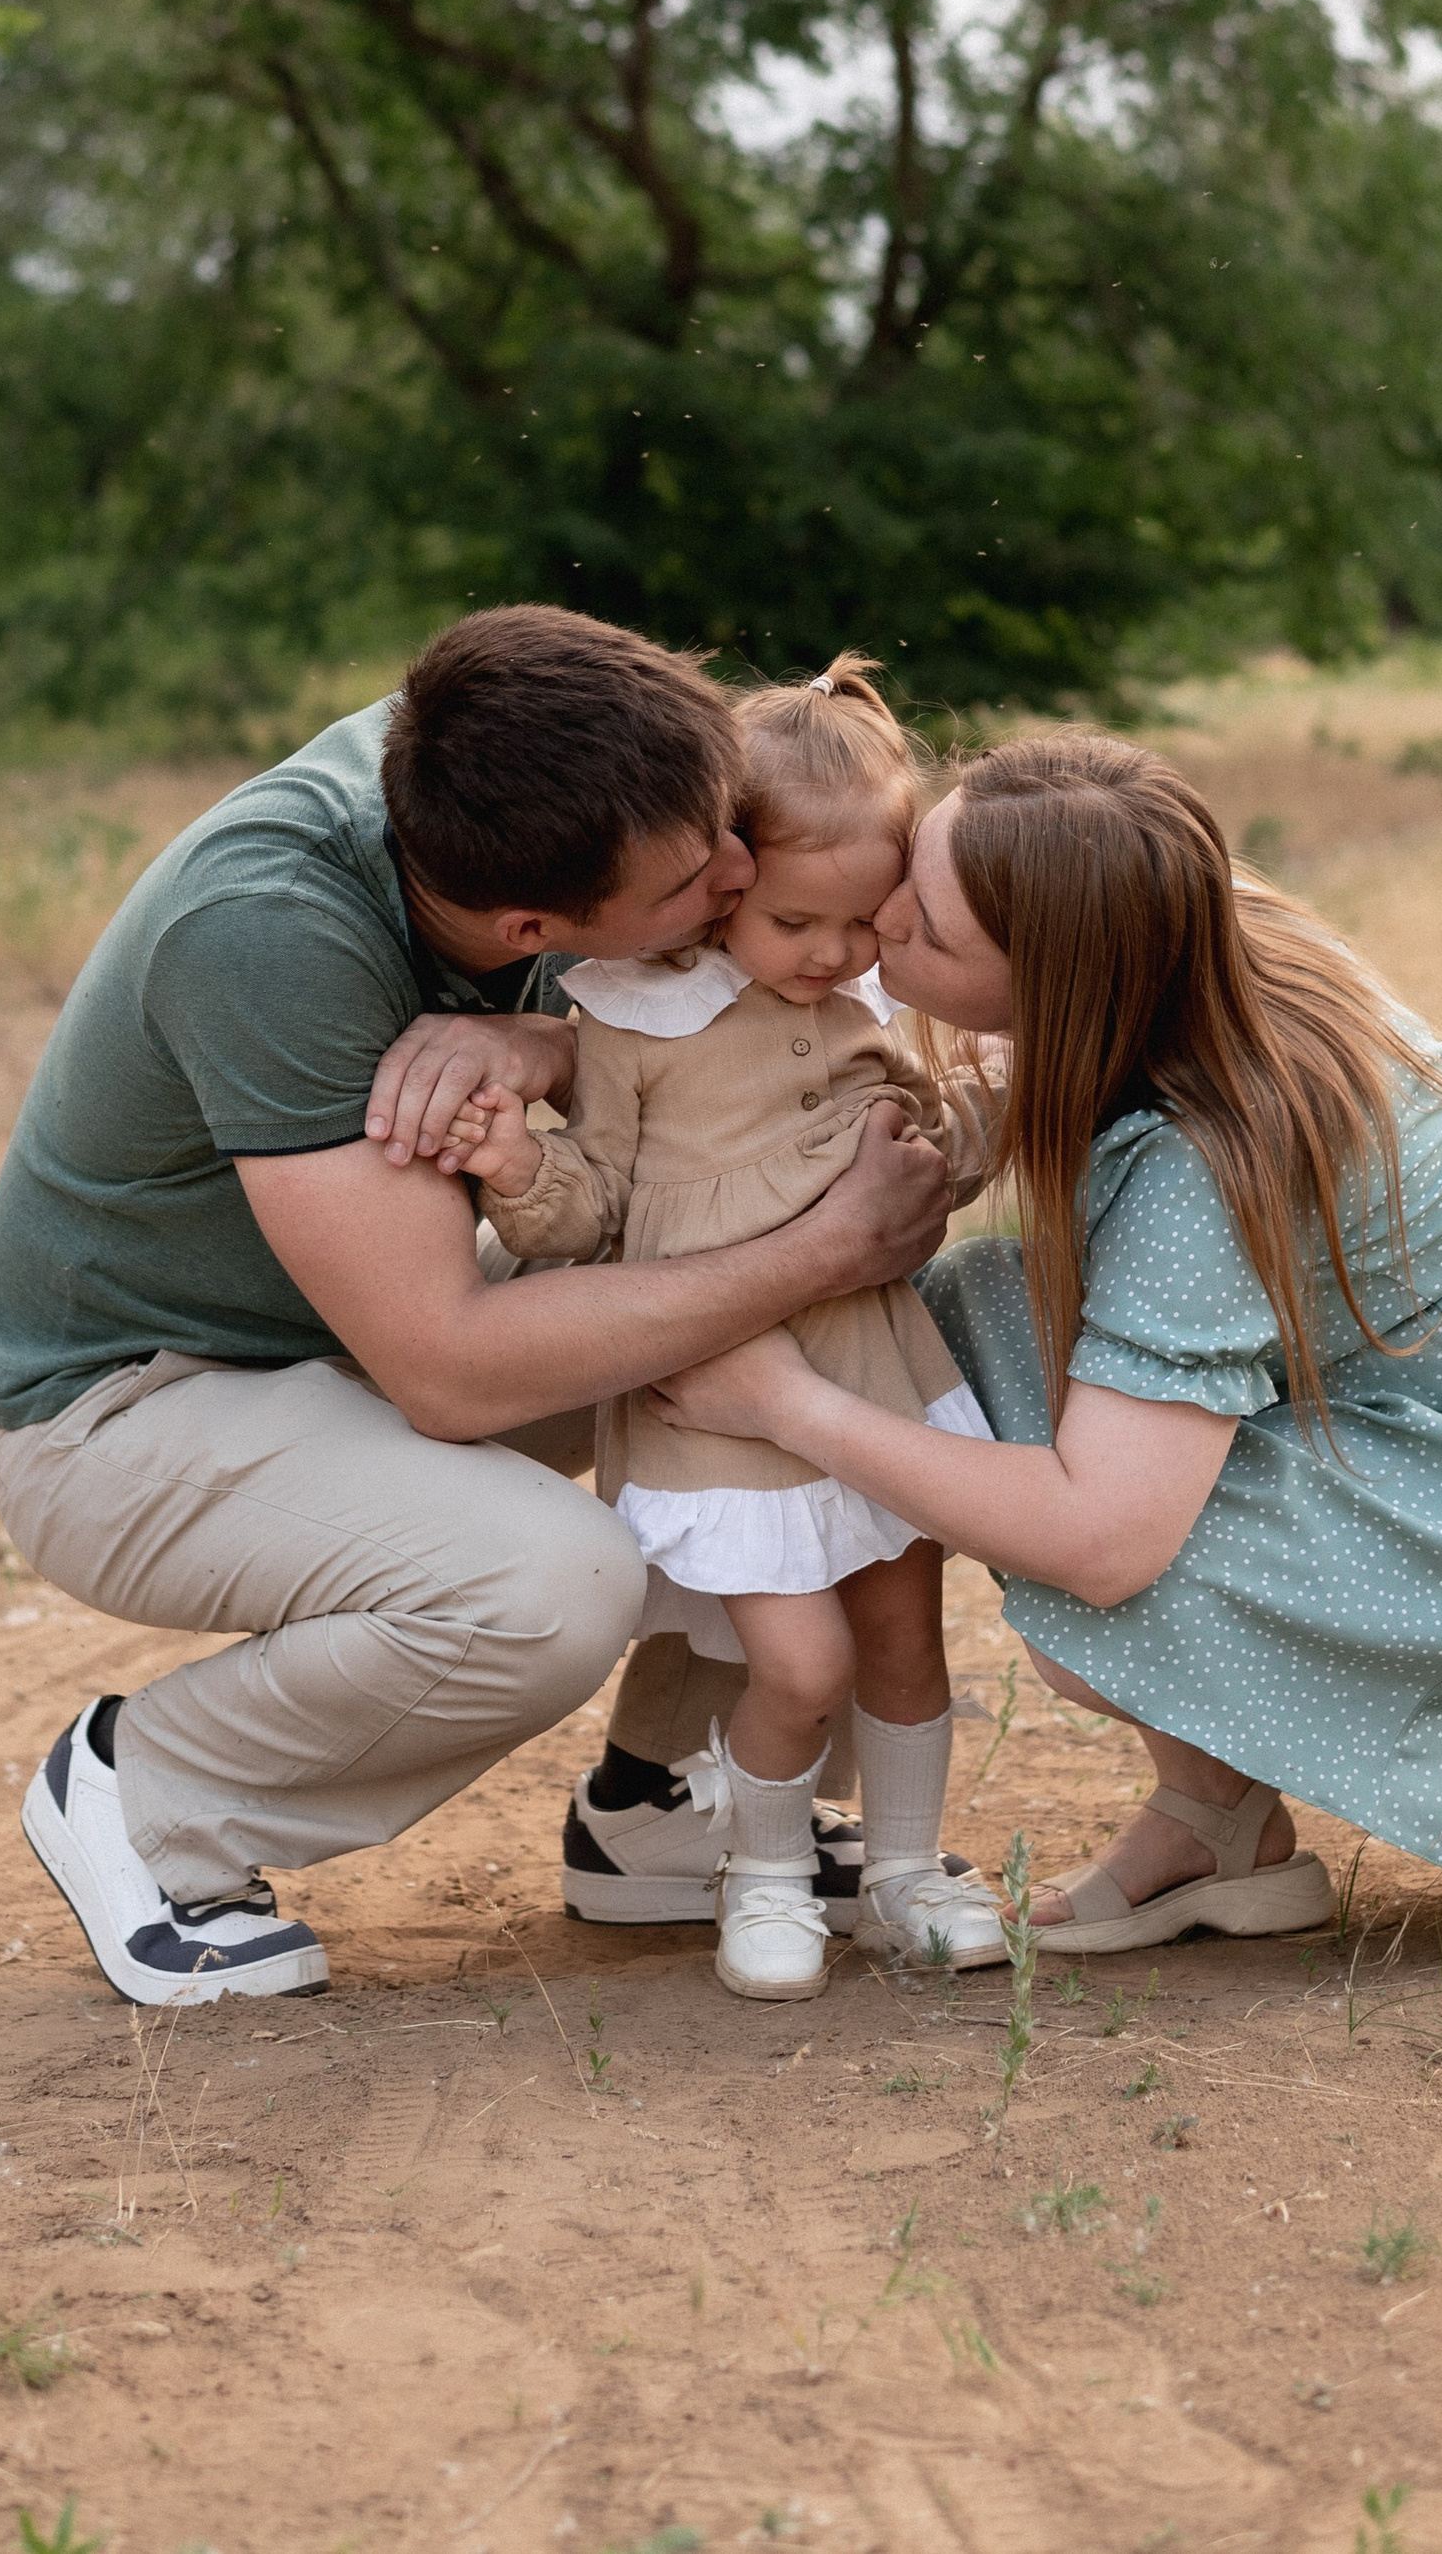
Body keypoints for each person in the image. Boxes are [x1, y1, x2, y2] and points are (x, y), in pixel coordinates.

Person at [647, 728, 1442, 1965]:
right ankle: (1217, 1828)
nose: (879, 921)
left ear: (1058, 984)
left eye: (925, 926)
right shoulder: (1190, 928)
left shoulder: (1203, 1159)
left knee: (1055, 1539)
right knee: (985, 1323)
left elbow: (1099, 1541)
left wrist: (786, 1406)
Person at [0, 606, 952, 2006]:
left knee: (840, 1348)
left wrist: (540, 1035)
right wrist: (825, 1250)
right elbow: (451, 1371)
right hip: (135, 1405)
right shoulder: (267, 928)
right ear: (532, 926)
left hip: (355, 1335)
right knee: (553, 1577)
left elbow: (702, 1017)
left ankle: (655, 1797)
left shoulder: (562, 758)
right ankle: (153, 1796)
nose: (739, 875)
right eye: (696, 881)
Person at [455, 658, 1006, 1999]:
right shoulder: (636, 1020)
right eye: (796, 920)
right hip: (715, 1401)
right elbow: (592, 1210)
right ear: (724, 884)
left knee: (905, 1643)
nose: (830, 953)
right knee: (798, 1664)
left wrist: (981, 1122)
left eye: (861, 922)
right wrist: (521, 1173)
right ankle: (760, 1877)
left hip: (869, 1368)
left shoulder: (877, 1002)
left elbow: (943, 1138)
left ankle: (902, 1868)